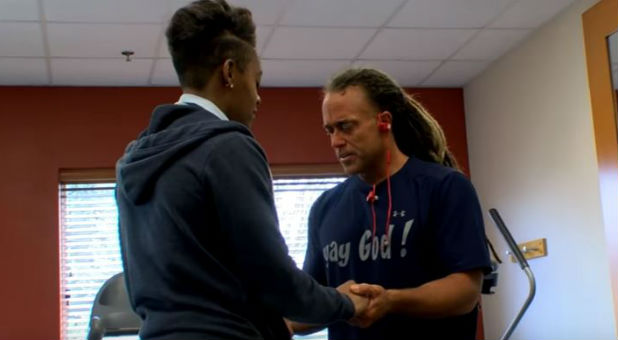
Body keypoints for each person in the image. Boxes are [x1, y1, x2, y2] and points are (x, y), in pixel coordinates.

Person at [115, 1, 367, 339]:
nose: (259, 98)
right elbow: (274, 280)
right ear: (230, 72)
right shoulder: (227, 146)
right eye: (257, 82)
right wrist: (344, 303)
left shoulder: (133, 159)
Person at [295, 67, 491, 339]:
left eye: (346, 127)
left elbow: (466, 291)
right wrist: (278, 323)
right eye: (330, 130)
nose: (336, 141)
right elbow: (311, 305)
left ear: (384, 121)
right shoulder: (325, 207)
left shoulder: (444, 187)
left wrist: (391, 300)